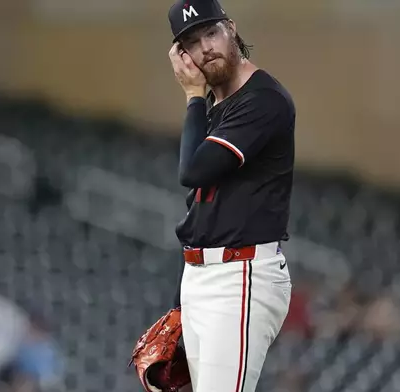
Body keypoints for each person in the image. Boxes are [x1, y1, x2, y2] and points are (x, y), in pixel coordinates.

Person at [167, 0, 296, 390]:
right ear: (182, 55)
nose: (205, 47)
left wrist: (191, 96)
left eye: (211, 32)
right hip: (203, 275)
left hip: (241, 276)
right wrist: (179, 303)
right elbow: (199, 212)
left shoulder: (263, 100)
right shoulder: (216, 107)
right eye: (192, 41)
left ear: (232, 29)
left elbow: (192, 172)